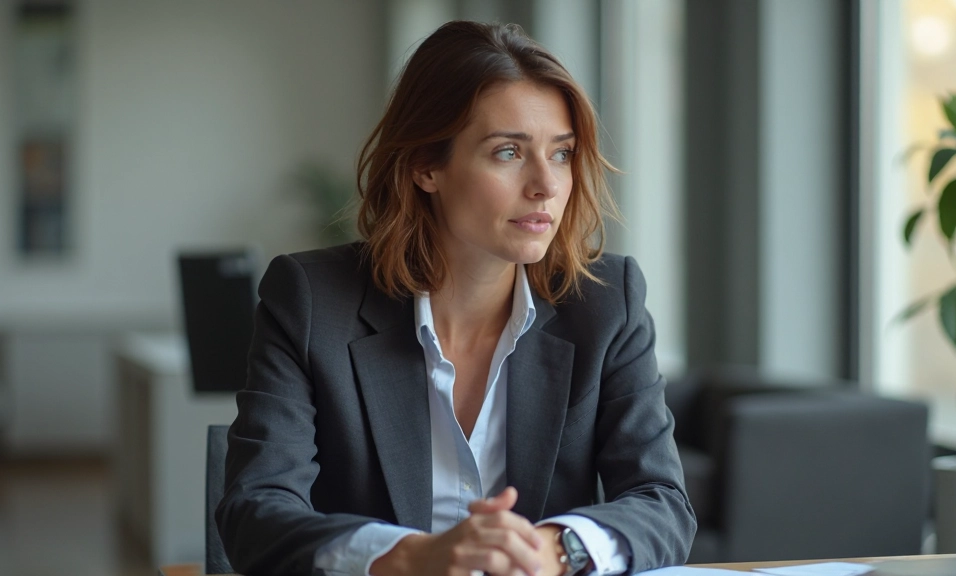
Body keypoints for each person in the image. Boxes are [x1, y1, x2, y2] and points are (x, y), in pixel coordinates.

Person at [216, 20, 696, 576]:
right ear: (426, 166)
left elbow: (663, 504)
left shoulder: (606, 302)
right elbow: (254, 512)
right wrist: (411, 555)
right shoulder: (312, 301)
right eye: (508, 152)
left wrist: (555, 549)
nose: (545, 184)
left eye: (561, 154)